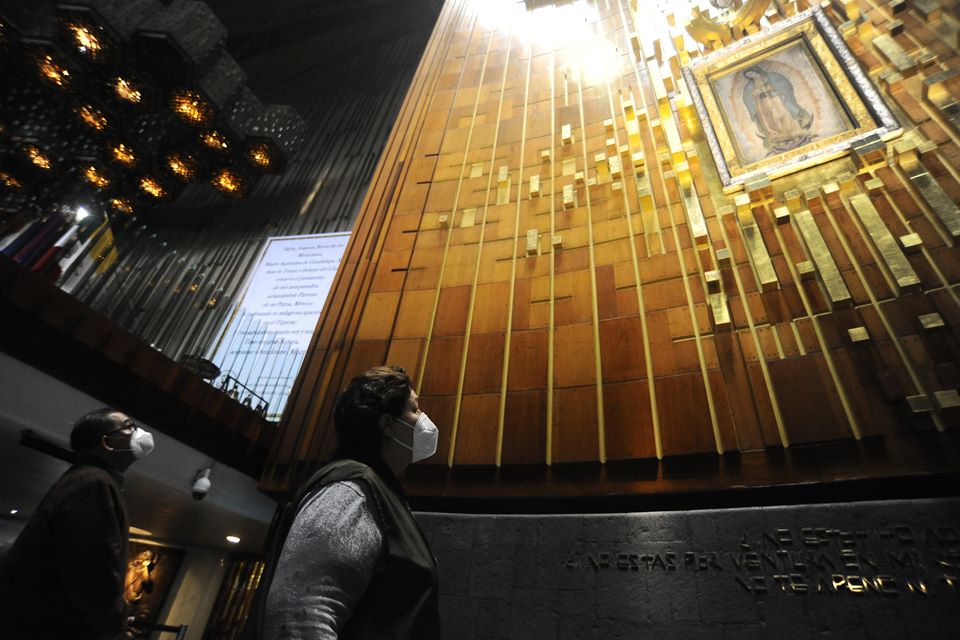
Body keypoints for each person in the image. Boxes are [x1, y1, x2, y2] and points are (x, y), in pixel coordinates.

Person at [253, 365, 441, 640]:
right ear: (387, 425)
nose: (424, 419)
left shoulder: (380, 491)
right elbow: (299, 620)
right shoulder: (351, 490)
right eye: (415, 409)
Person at [0, 408, 155, 639]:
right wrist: (115, 623)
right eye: (129, 426)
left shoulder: (87, 479)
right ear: (108, 443)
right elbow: (94, 570)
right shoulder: (94, 484)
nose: (139, 432)